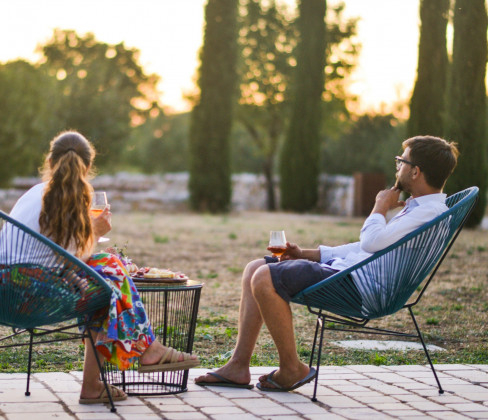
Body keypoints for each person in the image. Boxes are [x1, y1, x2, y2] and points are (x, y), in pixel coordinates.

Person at [195, 135, 459, 392]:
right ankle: (238, 365)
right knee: (254, 268)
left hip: (362, 288)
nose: (398, 166)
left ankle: (291, 369)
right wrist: (309, 254)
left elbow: (370, 242)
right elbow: (366, 247)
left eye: (401, 161)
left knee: (264, 277)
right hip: (353, 276)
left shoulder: (427, 213)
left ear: (415, 172)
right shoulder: (420, 208)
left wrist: (379, 207)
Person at [0, 131, 199, 404]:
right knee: (107, 278)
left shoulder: (34, 193)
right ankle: (139, 354)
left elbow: (54, 258)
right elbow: (71, 260)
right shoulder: (74, 198)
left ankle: (143, 351)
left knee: (107, 268)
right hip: (27, 296)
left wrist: (90, 246)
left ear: (50, 160)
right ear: (89, 166)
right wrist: (94, 232)